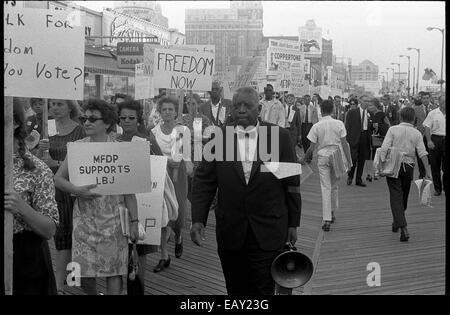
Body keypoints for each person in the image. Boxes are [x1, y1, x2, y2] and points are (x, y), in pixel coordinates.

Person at [190, 86, 301, 295]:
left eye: (247, 106)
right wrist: (198, 219)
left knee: (263, 290)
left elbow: (292, 183)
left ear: (258, 109)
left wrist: (294, 222)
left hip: (269, 229)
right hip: (231, 231)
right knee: (235, 289)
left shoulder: (279, 137)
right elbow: (204, 181)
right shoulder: (219, 137)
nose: (241, 110)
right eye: (236, 106)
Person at [54, 99, 139, 295]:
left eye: (93, 119)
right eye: (84, 118)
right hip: (84, 219)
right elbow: (58, 179)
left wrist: (134, 222)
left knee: (114, 271)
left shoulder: (120, 149)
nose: (87, 123)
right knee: (82, 272)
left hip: (114, 220)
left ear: (107, 123)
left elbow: (130, 192)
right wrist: (78, 189)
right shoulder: (77, 147)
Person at [5, 99, 59, 295]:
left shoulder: (37, 170)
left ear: (15, 123)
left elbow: (49, 229)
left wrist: (21, 206)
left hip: (25, 261)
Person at [36, 99, 85, 295]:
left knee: (77, 235)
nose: (55, 108)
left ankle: (73, 279)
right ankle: (58, 284)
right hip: (53, 190)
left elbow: (82, 162)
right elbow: (39, 161)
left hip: (73, 189)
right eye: (53, 104)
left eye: (60, 104)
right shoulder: (47, 128)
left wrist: (55, 162)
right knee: (61, 237)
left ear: (70, 107)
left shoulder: (80, 130)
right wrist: (40, 151)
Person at [380, 107, 432, 242]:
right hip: (409, 166)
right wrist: (427, 171)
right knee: (404, 195)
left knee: (395, 194)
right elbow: (422, 153)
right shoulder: (416, 133)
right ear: (413, 118)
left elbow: (384, 148)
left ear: (400, 117)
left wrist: (380, 166)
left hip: (393, 164)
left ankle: (402, 226)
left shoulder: (392, 129)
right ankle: (397, 221)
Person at [300, 100, 352, 231]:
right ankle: (332, 212)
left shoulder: (316, 126)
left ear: (321, 110)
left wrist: (304, 159)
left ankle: (326, 218)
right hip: (337, 155)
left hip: (323, 156)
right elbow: (345, 144)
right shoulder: (339, 123)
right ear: (333, 110)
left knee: (325, 187)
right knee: (334, 186)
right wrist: (349, 161)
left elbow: (311, 148)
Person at [152, 96, 189, 271]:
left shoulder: (183, 130)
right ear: (160, 112)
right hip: (161, 174)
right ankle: (164, 255)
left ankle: (179, 236)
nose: (167, 112)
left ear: (176, 112)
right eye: (164, 109)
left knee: (179, 212)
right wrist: (165, 163)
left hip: (178, 174)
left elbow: (187, 153)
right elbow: (151, 154)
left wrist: (183, 162)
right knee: (163, 214)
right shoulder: (153, 132)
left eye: (170, 109)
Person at [345, 95, 372, 187]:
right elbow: (347, 127)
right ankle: (350, 176)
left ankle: (358, 179)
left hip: (364, 137)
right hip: (354, 138)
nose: (367, 103)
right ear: (360, 101)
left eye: (368, 101)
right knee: (353, 158)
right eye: (365, 101)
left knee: (362, 160)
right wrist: (347, 140)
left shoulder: (369, 113)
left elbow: (370, 127)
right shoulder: (352, 112)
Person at [423, 94, 446, 196]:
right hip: (435, 139)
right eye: (443, 101)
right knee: (435, 165)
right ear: (439, 102)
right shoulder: (433, 113)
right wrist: (429, 141)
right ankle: (438, 189)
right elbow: (427, 127)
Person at [412, 97, 428, 179]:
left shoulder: (435, 108)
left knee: (431, 156)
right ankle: (422, 174)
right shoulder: (416, 109)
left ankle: (430, 172)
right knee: (420, 154)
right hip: (420, 135)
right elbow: (413, 122)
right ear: (422, 100)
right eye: (424, 98)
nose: (425, 100)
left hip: (432, 136)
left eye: (427, 98)